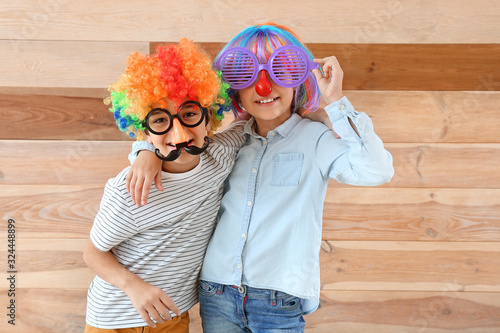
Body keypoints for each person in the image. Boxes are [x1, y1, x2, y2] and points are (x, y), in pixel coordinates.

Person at [127, 23, 394, 332]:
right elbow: (177, 144)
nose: (264, 87)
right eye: (247, 76)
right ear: (234, 88)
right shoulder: (229, 142)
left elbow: (377, 170)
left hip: (278, 299)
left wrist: (335, 103)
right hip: (218, 291)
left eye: (280, 71)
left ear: (298, 78)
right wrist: (145, 149)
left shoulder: (316, 140)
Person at [83, 38, 247, 333]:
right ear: (143, 129)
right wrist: (133, 287)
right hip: (120, 318)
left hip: (175, 313)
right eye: (161, 120)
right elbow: (92, 253)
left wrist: (316, 112)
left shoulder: (221, 153)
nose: (180, 133)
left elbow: (259, 120)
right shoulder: (131, 188)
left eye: (189, 114)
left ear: (209, 114)